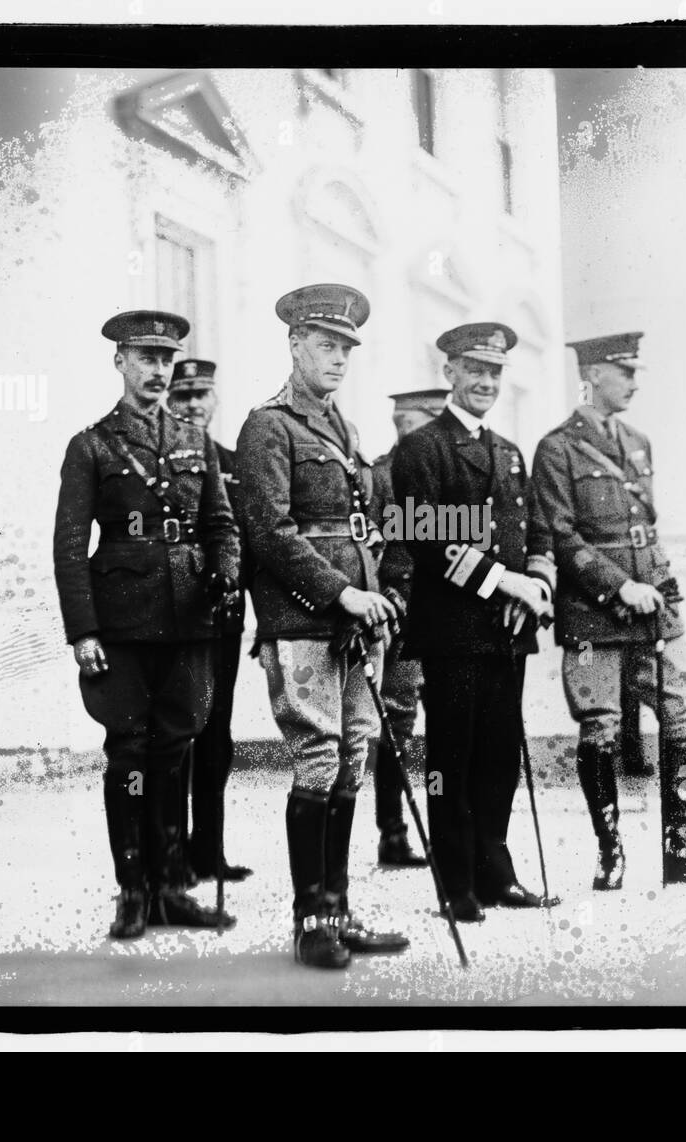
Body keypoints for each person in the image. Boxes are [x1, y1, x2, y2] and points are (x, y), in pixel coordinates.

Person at [530, 331, 686, 889]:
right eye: (624, 371)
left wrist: (662, 588)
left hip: (654, 604)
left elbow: (644, 527)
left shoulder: (638, 440)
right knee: (599, 725)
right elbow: (559, 534)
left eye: (635, 372)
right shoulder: (556, 448)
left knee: (682, 709)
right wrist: (616, 585)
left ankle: (685, 849)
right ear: (594, 373)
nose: (633, 382)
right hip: (593, 610)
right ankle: (611, 853)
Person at [236, 283, 409, 969]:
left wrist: (377, 593)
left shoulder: (344, 429)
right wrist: (342, 594)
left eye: (346, 348)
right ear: (295, 345)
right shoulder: (268, 426)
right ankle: (312, 921)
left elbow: (365, 524)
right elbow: (270, 533)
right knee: (318, 756)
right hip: (305, 618)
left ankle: (337, 909)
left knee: (355, 755)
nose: (338, 358)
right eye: (326, 345)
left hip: (358, 620)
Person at [53, 310, 241, 940]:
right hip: (124, 624)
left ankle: (171, 887)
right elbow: (70, 544)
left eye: (166, 359)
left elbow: (220, 524)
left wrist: (226, 571)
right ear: (121, 363)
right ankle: (132, 889)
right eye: (146, 358)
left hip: (190, 620)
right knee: (128, 755)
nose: (159, 370)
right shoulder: (92, 446)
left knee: (175, 750)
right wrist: (83, 632)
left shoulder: (195, 440)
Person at [392, 321, 556, 923]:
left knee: (499, 754)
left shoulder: (509, 453)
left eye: (495, 372)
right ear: (450, 374)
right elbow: (425, 539)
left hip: (509, 631)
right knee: (449, 760)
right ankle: (455, 881)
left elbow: (537, 531)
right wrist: (504, 582)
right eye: (475, 370)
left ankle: (496, 872)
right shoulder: (423, 449)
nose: (486, 381)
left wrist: (536, 585)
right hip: (454, 631)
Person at [165, 359, 252, 884]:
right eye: (183, 395)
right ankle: (173, 855)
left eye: (201, 395)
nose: (193, 404)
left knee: (217, 736)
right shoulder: (162, 461)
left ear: (215, 400)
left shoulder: (236, 464)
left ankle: (209, 850)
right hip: (175, 618)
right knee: (179, 734)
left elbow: (252, 543)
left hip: (225, 619)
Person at [367, 388, 451, 868]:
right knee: (397, 723)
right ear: (402, 424)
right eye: (427, 422)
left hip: (449, 616)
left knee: (447, 723)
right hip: (402, 617)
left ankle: (445, 831)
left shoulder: (448, 475)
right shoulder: (382, 475)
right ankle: (393, 834)